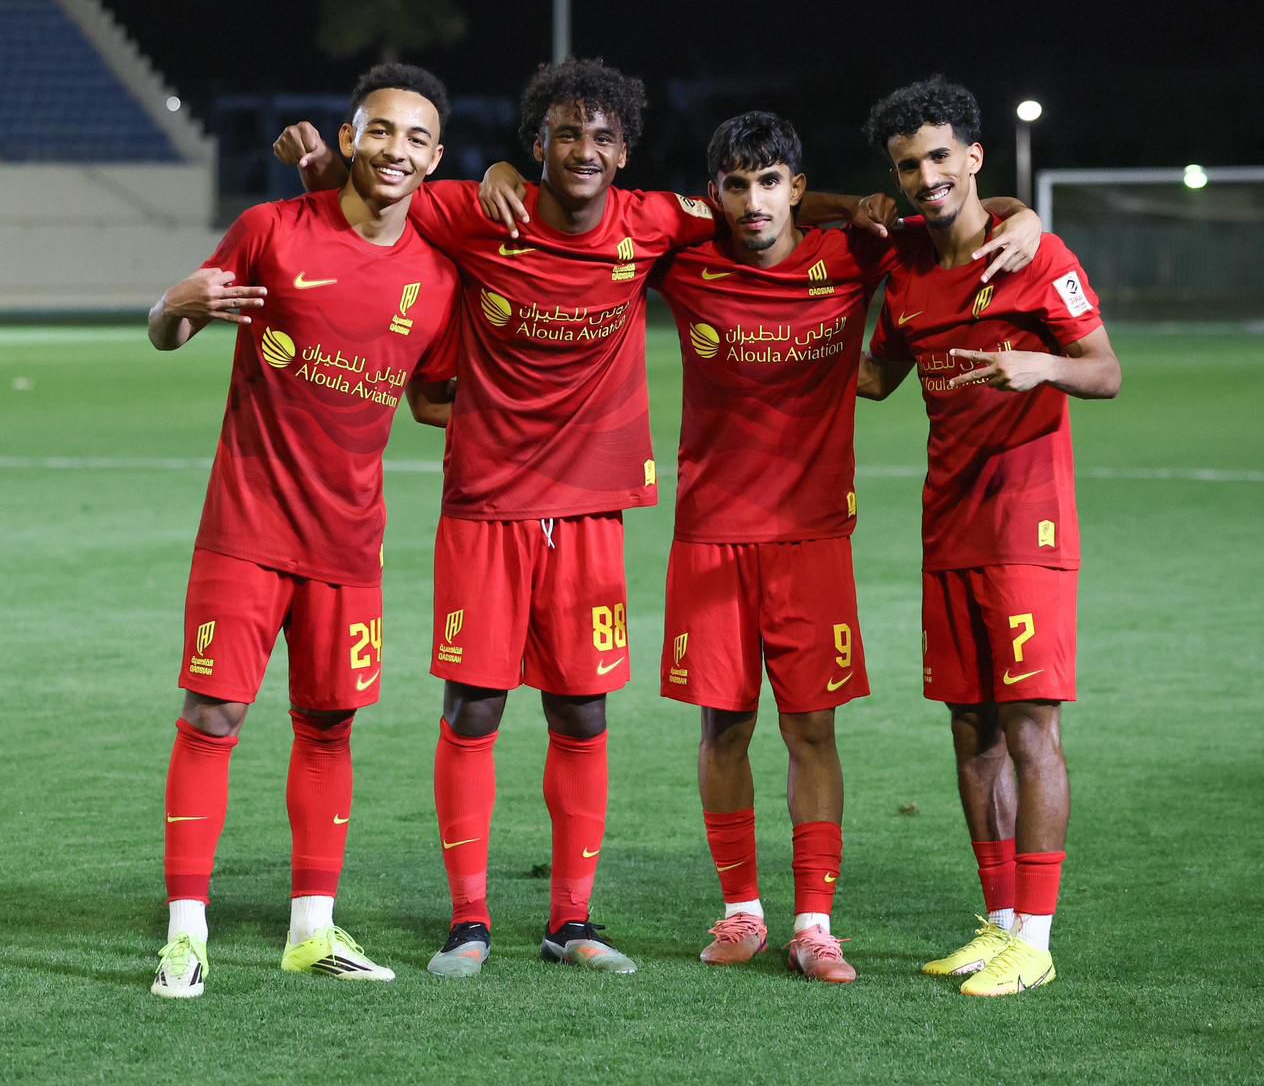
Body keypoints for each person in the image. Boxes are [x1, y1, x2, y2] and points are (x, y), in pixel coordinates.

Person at [275, 57, 889, 978]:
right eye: (567, 133)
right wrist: (326, 169)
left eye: (602, 136)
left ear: (624, 150)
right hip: (486, 502)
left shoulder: (656, 222)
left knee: (582, 709)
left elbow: (757, 207)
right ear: (539, 144)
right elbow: (374, 204)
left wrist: (853, 207)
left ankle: (572, 920)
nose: (585, 150)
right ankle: (469, 921)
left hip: (593, 509)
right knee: (473, 707)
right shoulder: (479, 211)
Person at [651, 112, 1041, 982]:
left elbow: (956, 213)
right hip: (711, 533)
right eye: (737, 185)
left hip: (815, 535)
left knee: (811, 730)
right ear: (716, 195)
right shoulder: (685, 262)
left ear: (796, 187)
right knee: (724, 727)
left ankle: (814, 925)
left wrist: (1028, 217)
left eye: (771, 182)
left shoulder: (855, 255)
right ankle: (742, 913)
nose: (754, 202)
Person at [148, 63, 460, 998]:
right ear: (349, 137)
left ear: (435, 158)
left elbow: (432, 401)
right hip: (245, 529)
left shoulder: (437, 277)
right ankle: (185, 936)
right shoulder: (271, 230)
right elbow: (170, 329)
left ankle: (312, 932)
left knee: (328, 726)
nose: (396, 150)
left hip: (350, 545)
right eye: (380, 130)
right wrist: (170, 308)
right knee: (214, 717)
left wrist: (550, 406)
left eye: (415, 138)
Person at [857, 75, 1121, 997]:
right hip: (949, 522)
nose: (926, 176)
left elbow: (1106, 371)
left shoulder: (1034, 256)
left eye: (940, 157)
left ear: (972, 156)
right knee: (970, 728)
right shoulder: (905, 266)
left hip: (1026, 523)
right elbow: (876, 378)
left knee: (1029, 726)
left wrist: (1039, 364)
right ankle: (1000, 923)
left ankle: (1036, 942)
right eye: (908, 165)